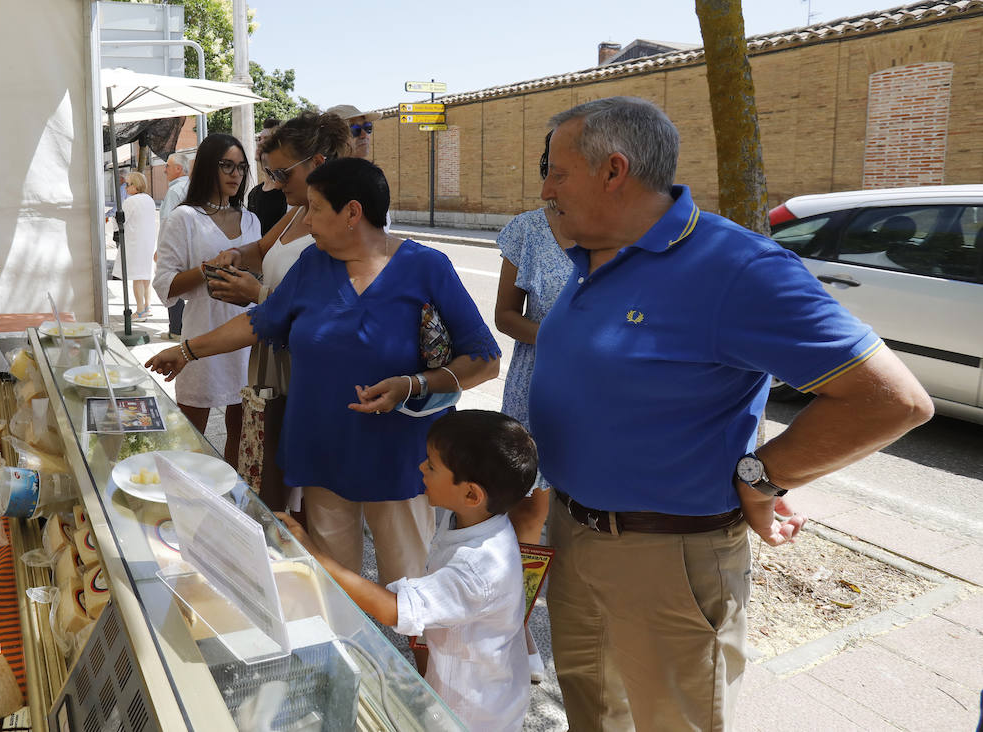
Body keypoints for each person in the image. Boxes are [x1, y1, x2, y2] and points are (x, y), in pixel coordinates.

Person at [531, 96, 933, 730]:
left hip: (665, 559)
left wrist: (761, 476)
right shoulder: (593, 255)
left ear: (613, 171)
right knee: (592, 714)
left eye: (555, 170)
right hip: (576, 536)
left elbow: (893, 400)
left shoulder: (737, 267)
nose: (546, 189)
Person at [146, 157, 501, 586]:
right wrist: (187, 350)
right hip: (322, 452)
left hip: (398, 460)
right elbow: (260, 321)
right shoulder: (314, 264)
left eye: (314, 208)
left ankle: (418, 657)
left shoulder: (426, 267)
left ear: (352, 212)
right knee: (333, 583)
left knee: (408, 588)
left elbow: (484, 358)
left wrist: (414, 384)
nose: (306, 219)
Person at [278, 409, 534, 732]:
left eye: (431, 465)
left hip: (472, 715)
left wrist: (313, 552)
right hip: (465, 691)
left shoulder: (478, 568)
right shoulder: (472, 519)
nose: (420, 468)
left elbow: (390, 610)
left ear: (471, 493)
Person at [207, 110, 353, 509]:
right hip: (275, 358)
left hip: (305, 366)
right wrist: (236, 254)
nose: (273, 184)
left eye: (282, 174)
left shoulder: (340, 224)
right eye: (269, 174)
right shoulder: (296, 213)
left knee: (306, 494)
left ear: (317, 164)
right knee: (272, 477)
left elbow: (331, 307)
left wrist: (257, 293)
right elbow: (262, 250)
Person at [493, 130, 574, 683]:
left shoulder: (627, 233)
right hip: (538, 383)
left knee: (589, 519)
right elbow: (505, 316)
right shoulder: (526, 230)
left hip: (606, 395)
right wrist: (563, 338)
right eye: (550, 166)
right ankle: (515, 627)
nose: (552, 181)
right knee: (530, 513)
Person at [152, 134, 259, 465]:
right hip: (201, 334)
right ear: (207, 167)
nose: (235, 174)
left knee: (242, 435)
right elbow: (165, 285)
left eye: (241, 167)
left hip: (246, 337)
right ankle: (186, 499)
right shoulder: (184, 219)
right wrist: (206, 269)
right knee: (190, 437)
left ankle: (232, 503)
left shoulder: (251, 220)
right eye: (226, 165)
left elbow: (260, 274)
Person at [158, 153, 191, 340]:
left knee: (172, 286)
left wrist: (160, 249)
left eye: (168, 166)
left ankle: (176, 330)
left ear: (179, 168)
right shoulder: (191, 187)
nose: (164, 170)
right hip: (189, 245)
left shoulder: (175, 191)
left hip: (174, 248)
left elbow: (166, 223)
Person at [120, 171, 159, 319]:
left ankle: (140, 310)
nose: (125, 187)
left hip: (135, 243)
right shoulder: (149, 199)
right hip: (148, 241)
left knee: (137, 277)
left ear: (135, 187)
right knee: (146, 276)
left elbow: (121, 221)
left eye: (127, 184)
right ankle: (148, 306)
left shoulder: (130, 201)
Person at [246, 118, 288, 235]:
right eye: (259, 138)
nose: (260, 142)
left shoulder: (287, 192)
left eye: (266, 139)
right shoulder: (254, 193)